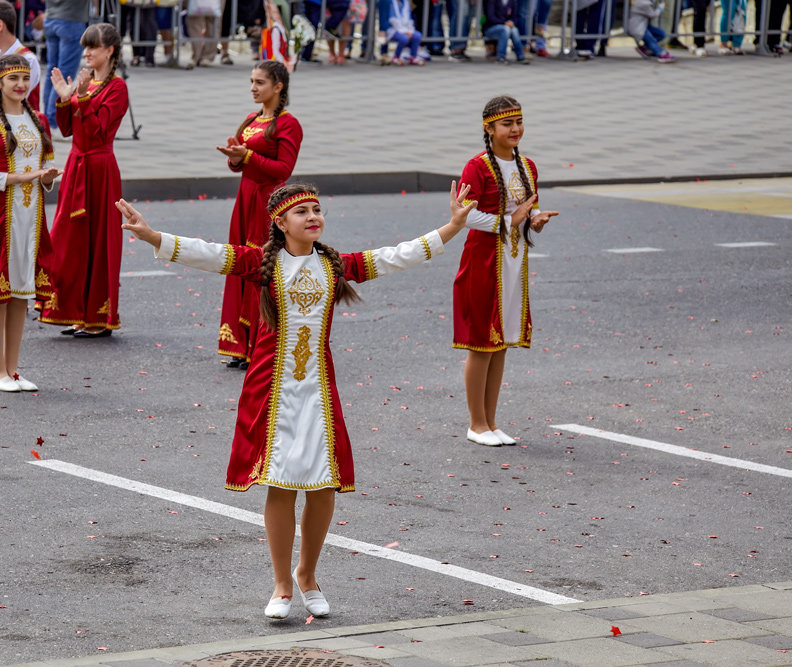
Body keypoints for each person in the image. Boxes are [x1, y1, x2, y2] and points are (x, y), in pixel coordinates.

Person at [116, 180, 475, 619]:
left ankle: (308, 574)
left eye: (317, 209)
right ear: (280, 222)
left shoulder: (336, 265)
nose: (313, 217)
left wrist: (453, 225)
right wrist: (153, 235)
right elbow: (207, 254)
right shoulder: (261, 263)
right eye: (302, 212)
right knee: (281, 483)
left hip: (319, 388)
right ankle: (282, 583)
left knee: (324, 486)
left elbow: (395, 255)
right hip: (272, 386)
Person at [452, 96, 558, 447]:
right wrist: (509, 220)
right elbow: (465, 216)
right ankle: (476, 423)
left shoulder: (528, 166)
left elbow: (528, 213)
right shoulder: (477, 167)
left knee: (501, 344)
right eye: (507, 124)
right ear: (489, 128)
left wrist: (534, 221)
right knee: (482, 343)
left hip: (513, 263)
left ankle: (492, 422)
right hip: (483, 262)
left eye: (519, 122)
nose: (515, 130)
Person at [0, 55, 60, 391]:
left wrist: (46, 178)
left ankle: (13, 369)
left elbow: (44, 174)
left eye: (24, 78)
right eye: (12, 79)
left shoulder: (41, 122)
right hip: (0, 216)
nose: (20, 85)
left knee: (21, 291)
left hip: (32, 216)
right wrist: (21, 177)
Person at [39, 24, 130, 338]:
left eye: (94, 47)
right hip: (78, 166)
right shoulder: (87, 83)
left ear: (110, 51)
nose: (87, 53)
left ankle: (97, 316)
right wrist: (64, 100)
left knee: (98, 241)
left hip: (100, 169)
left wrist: (79, 97)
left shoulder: (116, 88)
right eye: (86, 47)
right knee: (69, 241)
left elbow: (99, 131)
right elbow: (67, 129)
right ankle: (75, 311)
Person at [214, 62, 303, 368]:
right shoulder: (251, 119)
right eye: (251, 81)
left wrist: (248, 156)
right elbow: (241, 164)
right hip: (245, 199)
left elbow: (283, 170)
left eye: (260, 82)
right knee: (238, 264)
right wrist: (236, 158)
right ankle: (238, 343)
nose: (253, 87)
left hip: (268, 203)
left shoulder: (289, 124)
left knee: (261, 269)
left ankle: (259, 344)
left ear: (278, 86)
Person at [44, 0, 90, 124]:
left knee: (53, 71)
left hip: (51, 17)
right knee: (64, 72)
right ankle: (54, 120)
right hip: (71, 19)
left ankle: (47, 118)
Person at [387, 0, 425, 64]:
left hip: (406, 29)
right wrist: (404, 32)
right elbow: (392, 20)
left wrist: (409, 31)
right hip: (394, 29)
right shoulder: (391, 3)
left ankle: (413, 56)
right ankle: (396, 56)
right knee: (404, 38)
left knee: (417, 35)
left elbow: (409, 20)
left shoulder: (405, 3)